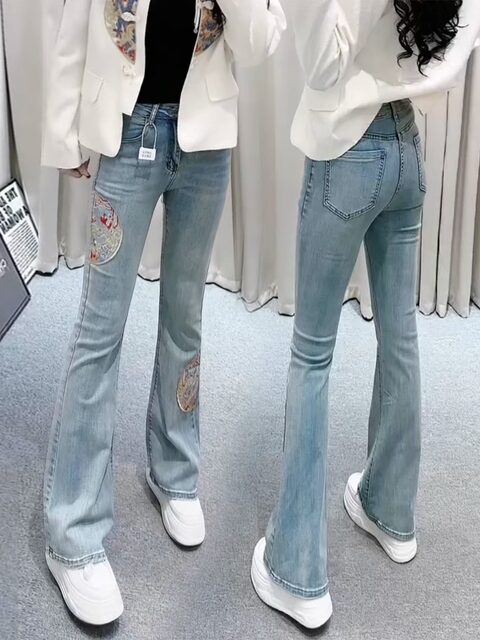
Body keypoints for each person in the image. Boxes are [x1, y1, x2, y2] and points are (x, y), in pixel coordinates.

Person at [42, 0, 286, 626]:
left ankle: (175, 472)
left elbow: (259, 45)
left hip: (206, 145)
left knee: (186, 315)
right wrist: (63, 129)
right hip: (128, 132)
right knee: (100, 328)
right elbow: (74, 22)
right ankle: (72, 532)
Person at [251, 0, 480, 630]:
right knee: (400, 335)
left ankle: (296, 570)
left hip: (348, 152)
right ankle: (391, 511)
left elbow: (324, 66)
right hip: (405, 144)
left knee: (311, 353)